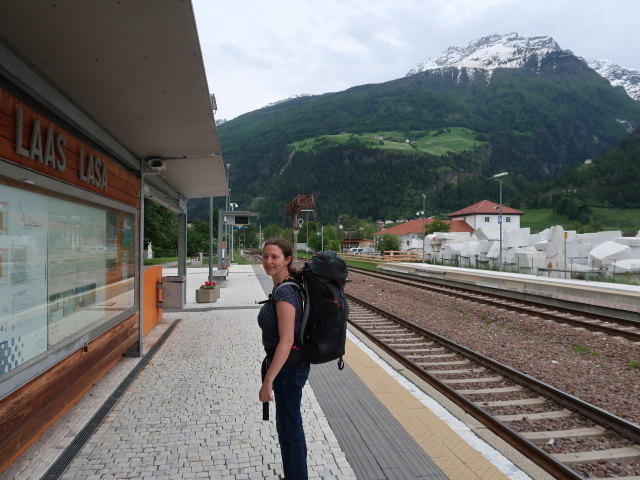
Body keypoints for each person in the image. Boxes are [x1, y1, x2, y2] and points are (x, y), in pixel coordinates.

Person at [258, 237, 310, 479]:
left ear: (287, 260)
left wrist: (268, 380)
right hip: (290, 367)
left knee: (289, 430)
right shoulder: (284, 287)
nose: (268, 261)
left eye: (274, 257)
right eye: (265, 256)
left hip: (288, 370)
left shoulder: (286, 293)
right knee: (291, 427)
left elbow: (286, 341)